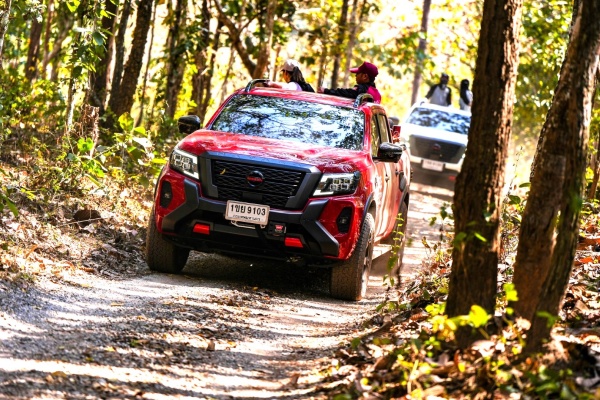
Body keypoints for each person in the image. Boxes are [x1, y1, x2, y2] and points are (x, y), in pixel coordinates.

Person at [317, 61, 381, 104]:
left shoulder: (361, 90)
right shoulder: (377, 94)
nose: (356, 76)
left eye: (357, 73)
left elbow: (345, 93)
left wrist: (325, 91)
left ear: (365, 76)